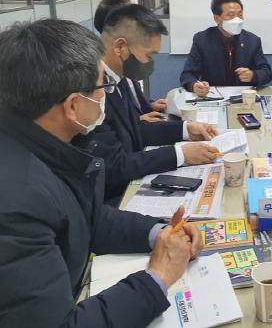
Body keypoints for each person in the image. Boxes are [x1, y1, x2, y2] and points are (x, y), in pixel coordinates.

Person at [0, 19, 202, 327]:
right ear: (73, 105)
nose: (106, 95)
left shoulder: (49, 143)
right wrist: (158, 277)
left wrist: (158, 233)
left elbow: (87, 218)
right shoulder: (16, 202)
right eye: (102, 87)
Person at [95, 4, 219, 203]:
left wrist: (185, 129)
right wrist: (180, 154)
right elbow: (114, 166)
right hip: (114, 199)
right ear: (120, 47)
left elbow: (136, 131)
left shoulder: (119, 79)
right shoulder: (94, 90)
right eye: (149, 55)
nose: (151, 62)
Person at [180, 0, 272, 96]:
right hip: (213, 96)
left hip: (243, 97)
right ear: (217, 18)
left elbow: (267, 73)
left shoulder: (252, 40)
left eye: (240, 15)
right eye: (231, 15)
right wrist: (194, 85)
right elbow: (188, 74)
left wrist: (253, 75)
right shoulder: (202, 40)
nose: (237, 20)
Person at [94, 0, 168, 122]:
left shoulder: (125, 68)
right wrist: (138, 120)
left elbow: (133, 101)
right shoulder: (100, 81)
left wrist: (149, 105)